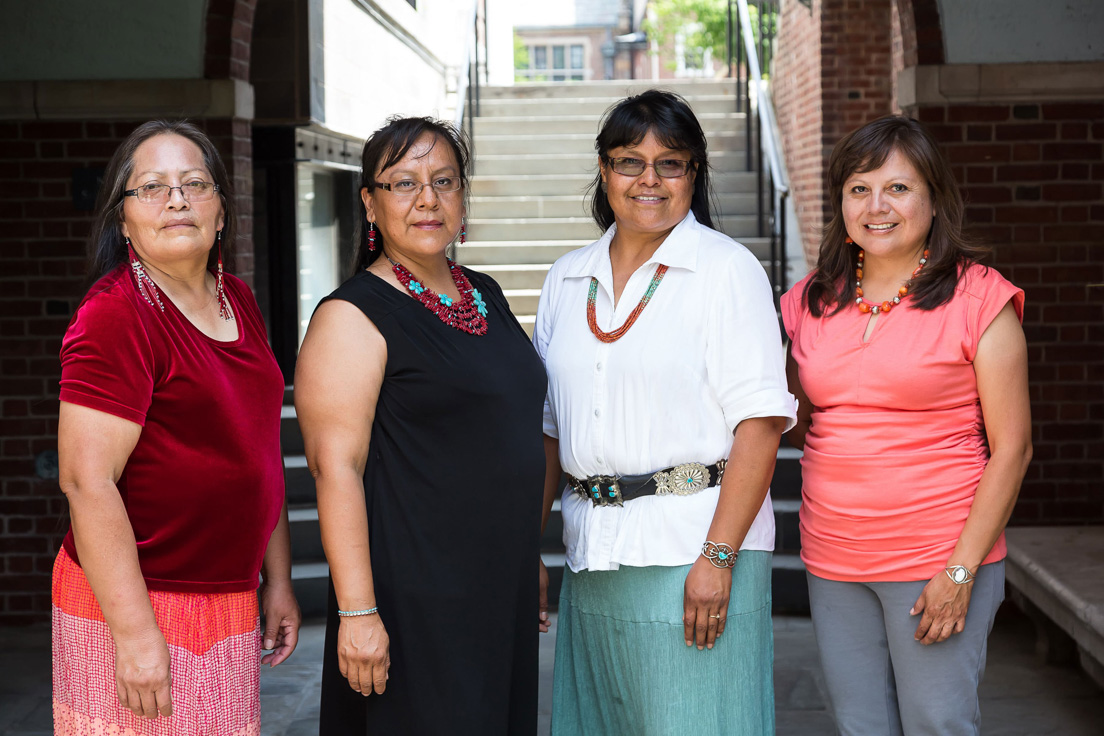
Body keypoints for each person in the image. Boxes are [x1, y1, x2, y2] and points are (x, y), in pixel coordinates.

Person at [534, 90, 797, 735]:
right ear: (604, 172)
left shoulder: (726, 270)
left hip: (696, 550)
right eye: (629, 161)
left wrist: (717, 558)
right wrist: (525, 547)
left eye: (670, 163)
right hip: (593, 554)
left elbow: (759, 428)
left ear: (694, 174)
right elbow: (547, 433)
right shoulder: (568, 278)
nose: (648, 180)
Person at [781, 115, 1032, 735]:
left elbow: (1014, 450)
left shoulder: (979, 299)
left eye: (898, 187)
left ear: (934, 198)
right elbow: (788, 421)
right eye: (859, 188)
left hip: (937, 556)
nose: (876, 206)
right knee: (861, 726)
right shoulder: (809, 299)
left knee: (936, 724)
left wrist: (959, 571)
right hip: (833, 556)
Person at [295, 116, 546, 735]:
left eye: (444, 180)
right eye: (404, 183)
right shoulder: (351, 316)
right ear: (370, 203)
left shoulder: (482, 292)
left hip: (496, 589)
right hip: (413, 598)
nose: (428, 199)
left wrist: (528, 554)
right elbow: (337, 470)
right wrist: (357, 612)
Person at [54, 120, 300, 735]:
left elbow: (258, 451)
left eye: (195, 184)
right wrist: (135, 636)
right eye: (152, 188)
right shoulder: (115, 316)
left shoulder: (236, 298)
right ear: (122, 220)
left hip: (229, 599)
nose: (177, 199)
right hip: (136, 600)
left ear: (221, 212)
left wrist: (278, 579)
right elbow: (87, 481)